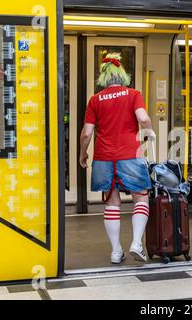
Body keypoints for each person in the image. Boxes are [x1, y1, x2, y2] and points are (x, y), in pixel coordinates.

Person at [79, 52, 155, 264]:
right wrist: (147, 136)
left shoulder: (95, 100)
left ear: (103, 78)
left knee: (112, 202)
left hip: (104, 157)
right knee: (140, 196)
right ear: (122, 75)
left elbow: (86, 133)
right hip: (130, 154)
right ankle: (136, 243)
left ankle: (116, 251)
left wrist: (82, 154)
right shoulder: (133, 94)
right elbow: (144, 118)